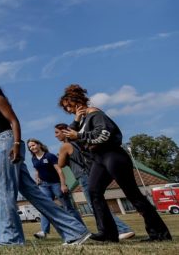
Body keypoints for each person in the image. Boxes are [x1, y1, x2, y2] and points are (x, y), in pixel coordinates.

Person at [0, 72, 91, 246]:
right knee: (33, 192)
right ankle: (75, 231)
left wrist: (16, 144)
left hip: (8, 142)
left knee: (3, 190)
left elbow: (14, 122)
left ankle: (10, 238)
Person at [59, 84, 172, 243]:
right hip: (99, 159)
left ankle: (159, 233)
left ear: (77, 102)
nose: (68, 110)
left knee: (132, 194)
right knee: (94, 192)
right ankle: (108, 233)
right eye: (65, 109)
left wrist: (79, 134)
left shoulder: (95, 114)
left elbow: (104, 134)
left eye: (69, 106)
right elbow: (68, 137)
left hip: (113, 155)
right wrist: (76, 120)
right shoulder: (82, 119)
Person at [53, 123, 136, 240]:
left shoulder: (65, 146)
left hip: (83, 176)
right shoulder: (79, 142)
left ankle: (123, 229)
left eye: (57, 132)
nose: (56, 136)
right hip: (92, 173)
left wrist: (62, 157)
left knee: (95, 206)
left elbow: (60, 164)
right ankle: (107, 231)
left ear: (64, 132)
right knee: (98, 204)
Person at [26, 138, 84, 239]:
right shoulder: (33, 158)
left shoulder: (50, 156)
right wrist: (38, 178)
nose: (32, 148)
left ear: (39, 145)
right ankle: (44, 232)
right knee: (45, 207)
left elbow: (59, 171)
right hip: (44, 185)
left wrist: (63, 185)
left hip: (56, 184)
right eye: (30, 147)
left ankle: (82, 228)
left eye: (33, 145)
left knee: (68, 207)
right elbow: (37, 170)